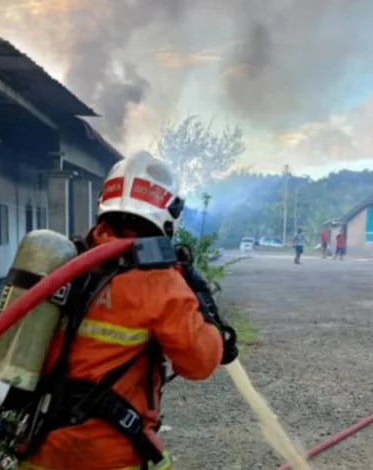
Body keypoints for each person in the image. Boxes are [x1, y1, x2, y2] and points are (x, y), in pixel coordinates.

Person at [17, 151, 237, 470]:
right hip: (108, 454)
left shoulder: (64, 262)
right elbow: (199, 364)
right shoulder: (160, 283)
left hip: (41, 448)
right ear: (168, 211)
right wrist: (214, 330)